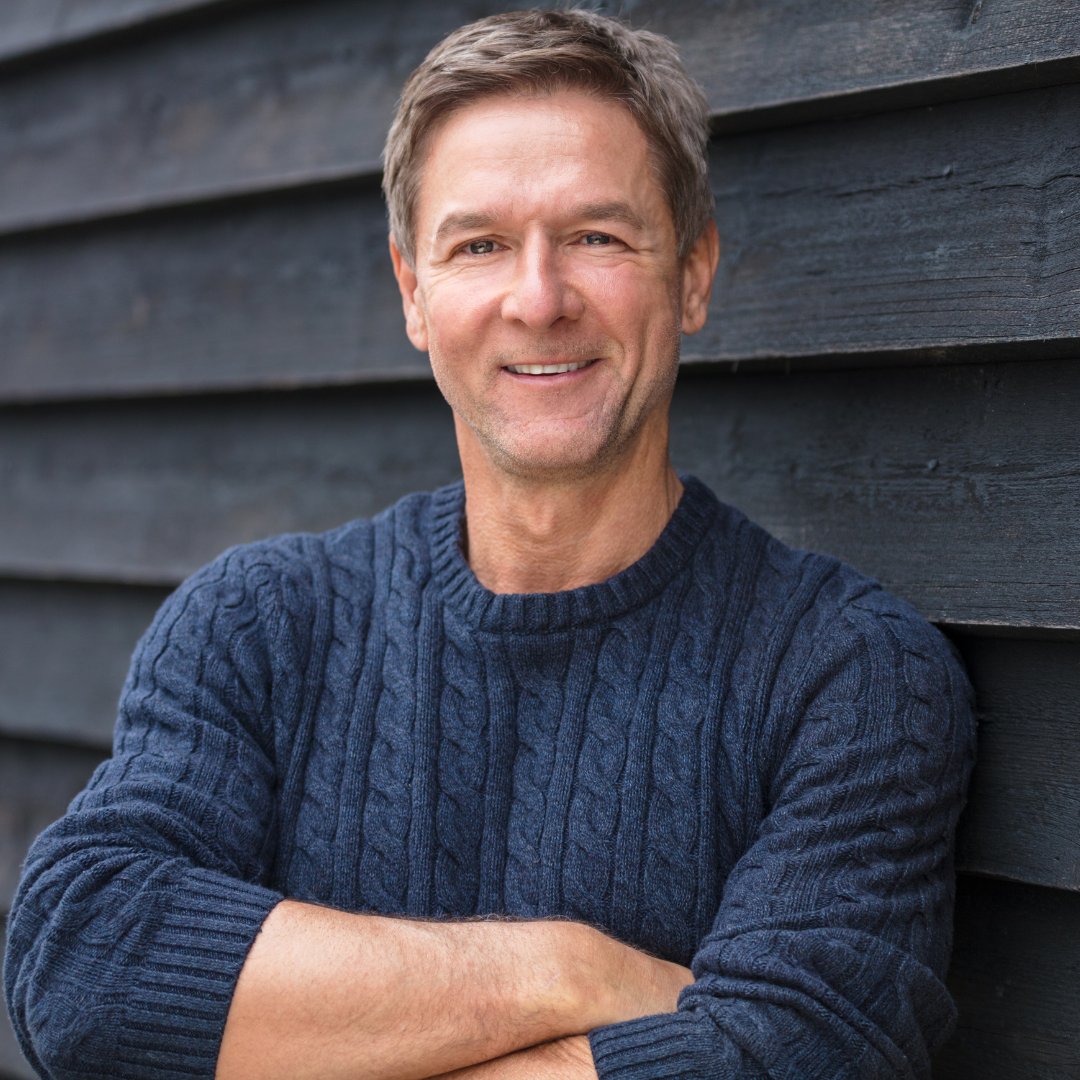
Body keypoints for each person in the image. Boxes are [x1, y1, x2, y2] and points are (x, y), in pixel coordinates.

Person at [4, 10, 975, 1080]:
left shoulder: (846, 673)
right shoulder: (258, 625)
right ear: (414, 291)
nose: (539, 298)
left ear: (693, 274)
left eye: (598, 236)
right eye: (480, 245)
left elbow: (795, 1055)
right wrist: (569, 972)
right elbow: (84, 961)